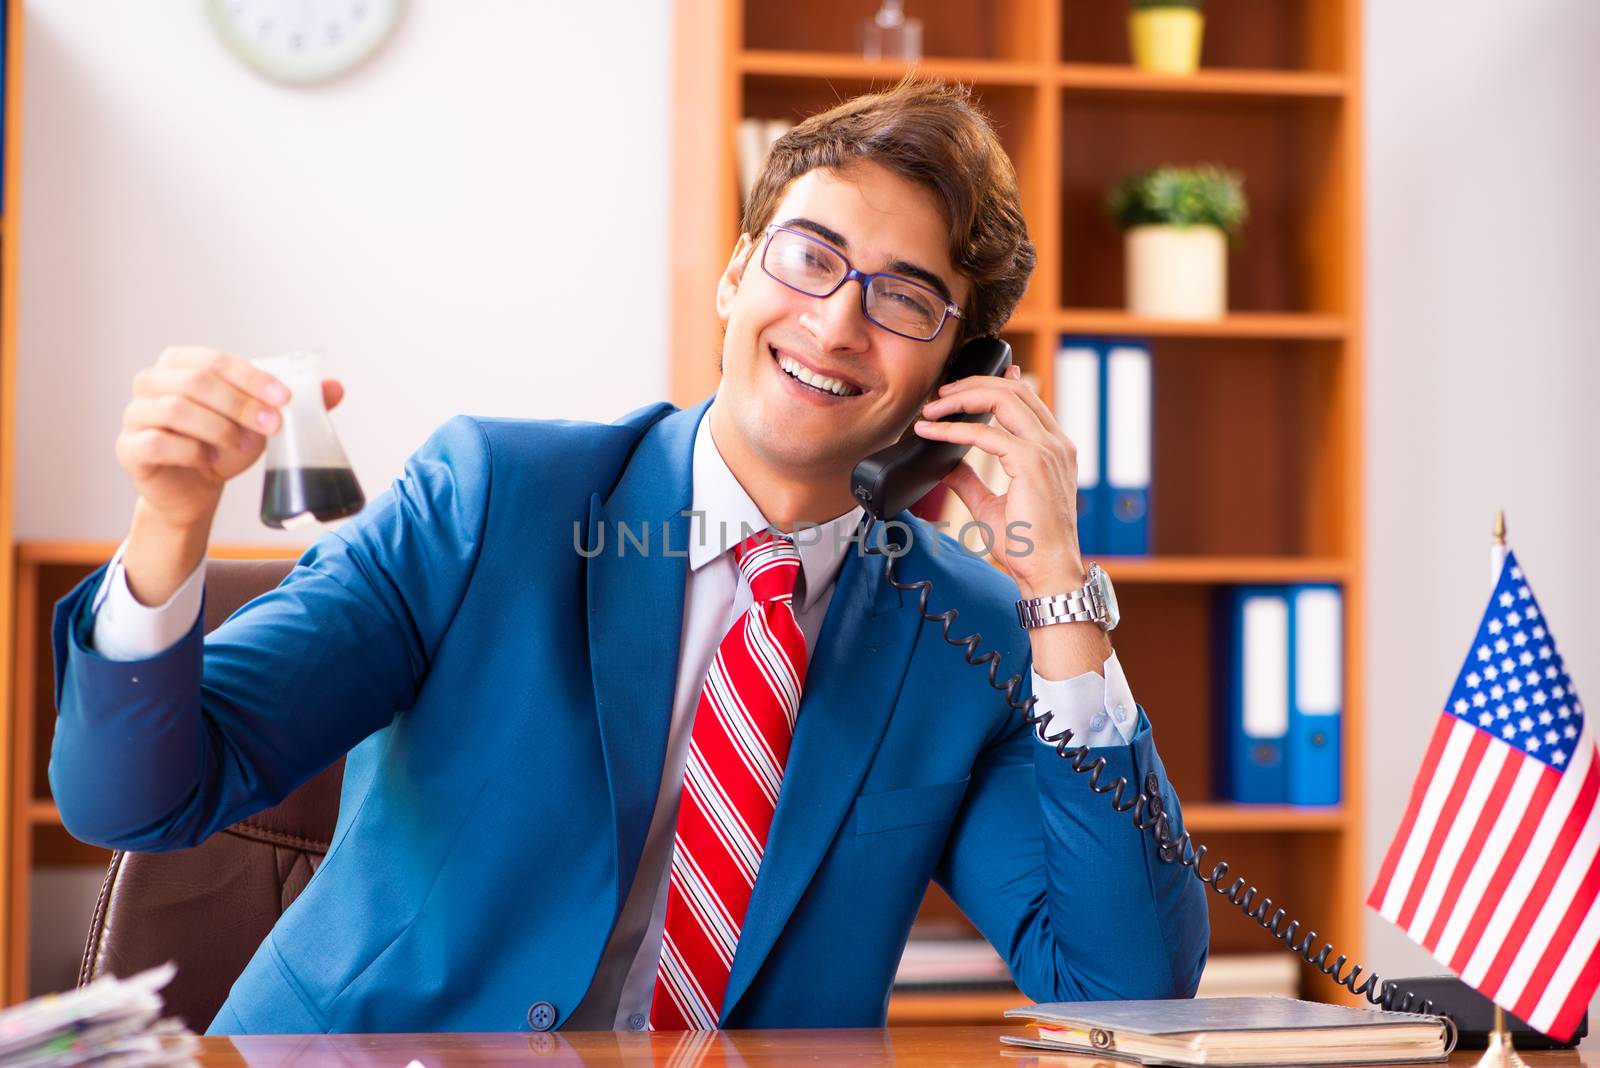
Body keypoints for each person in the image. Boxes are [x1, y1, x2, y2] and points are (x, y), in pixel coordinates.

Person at [50, 80, 1208, 1034]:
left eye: (906, 298)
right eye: (810, 259)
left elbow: (1126, 991)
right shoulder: (494, 499)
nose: (837, 323)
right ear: (735, 273)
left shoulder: (965, 632)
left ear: (965, 375)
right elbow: (135, 796)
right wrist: (171, 520)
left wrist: (1060, 588)